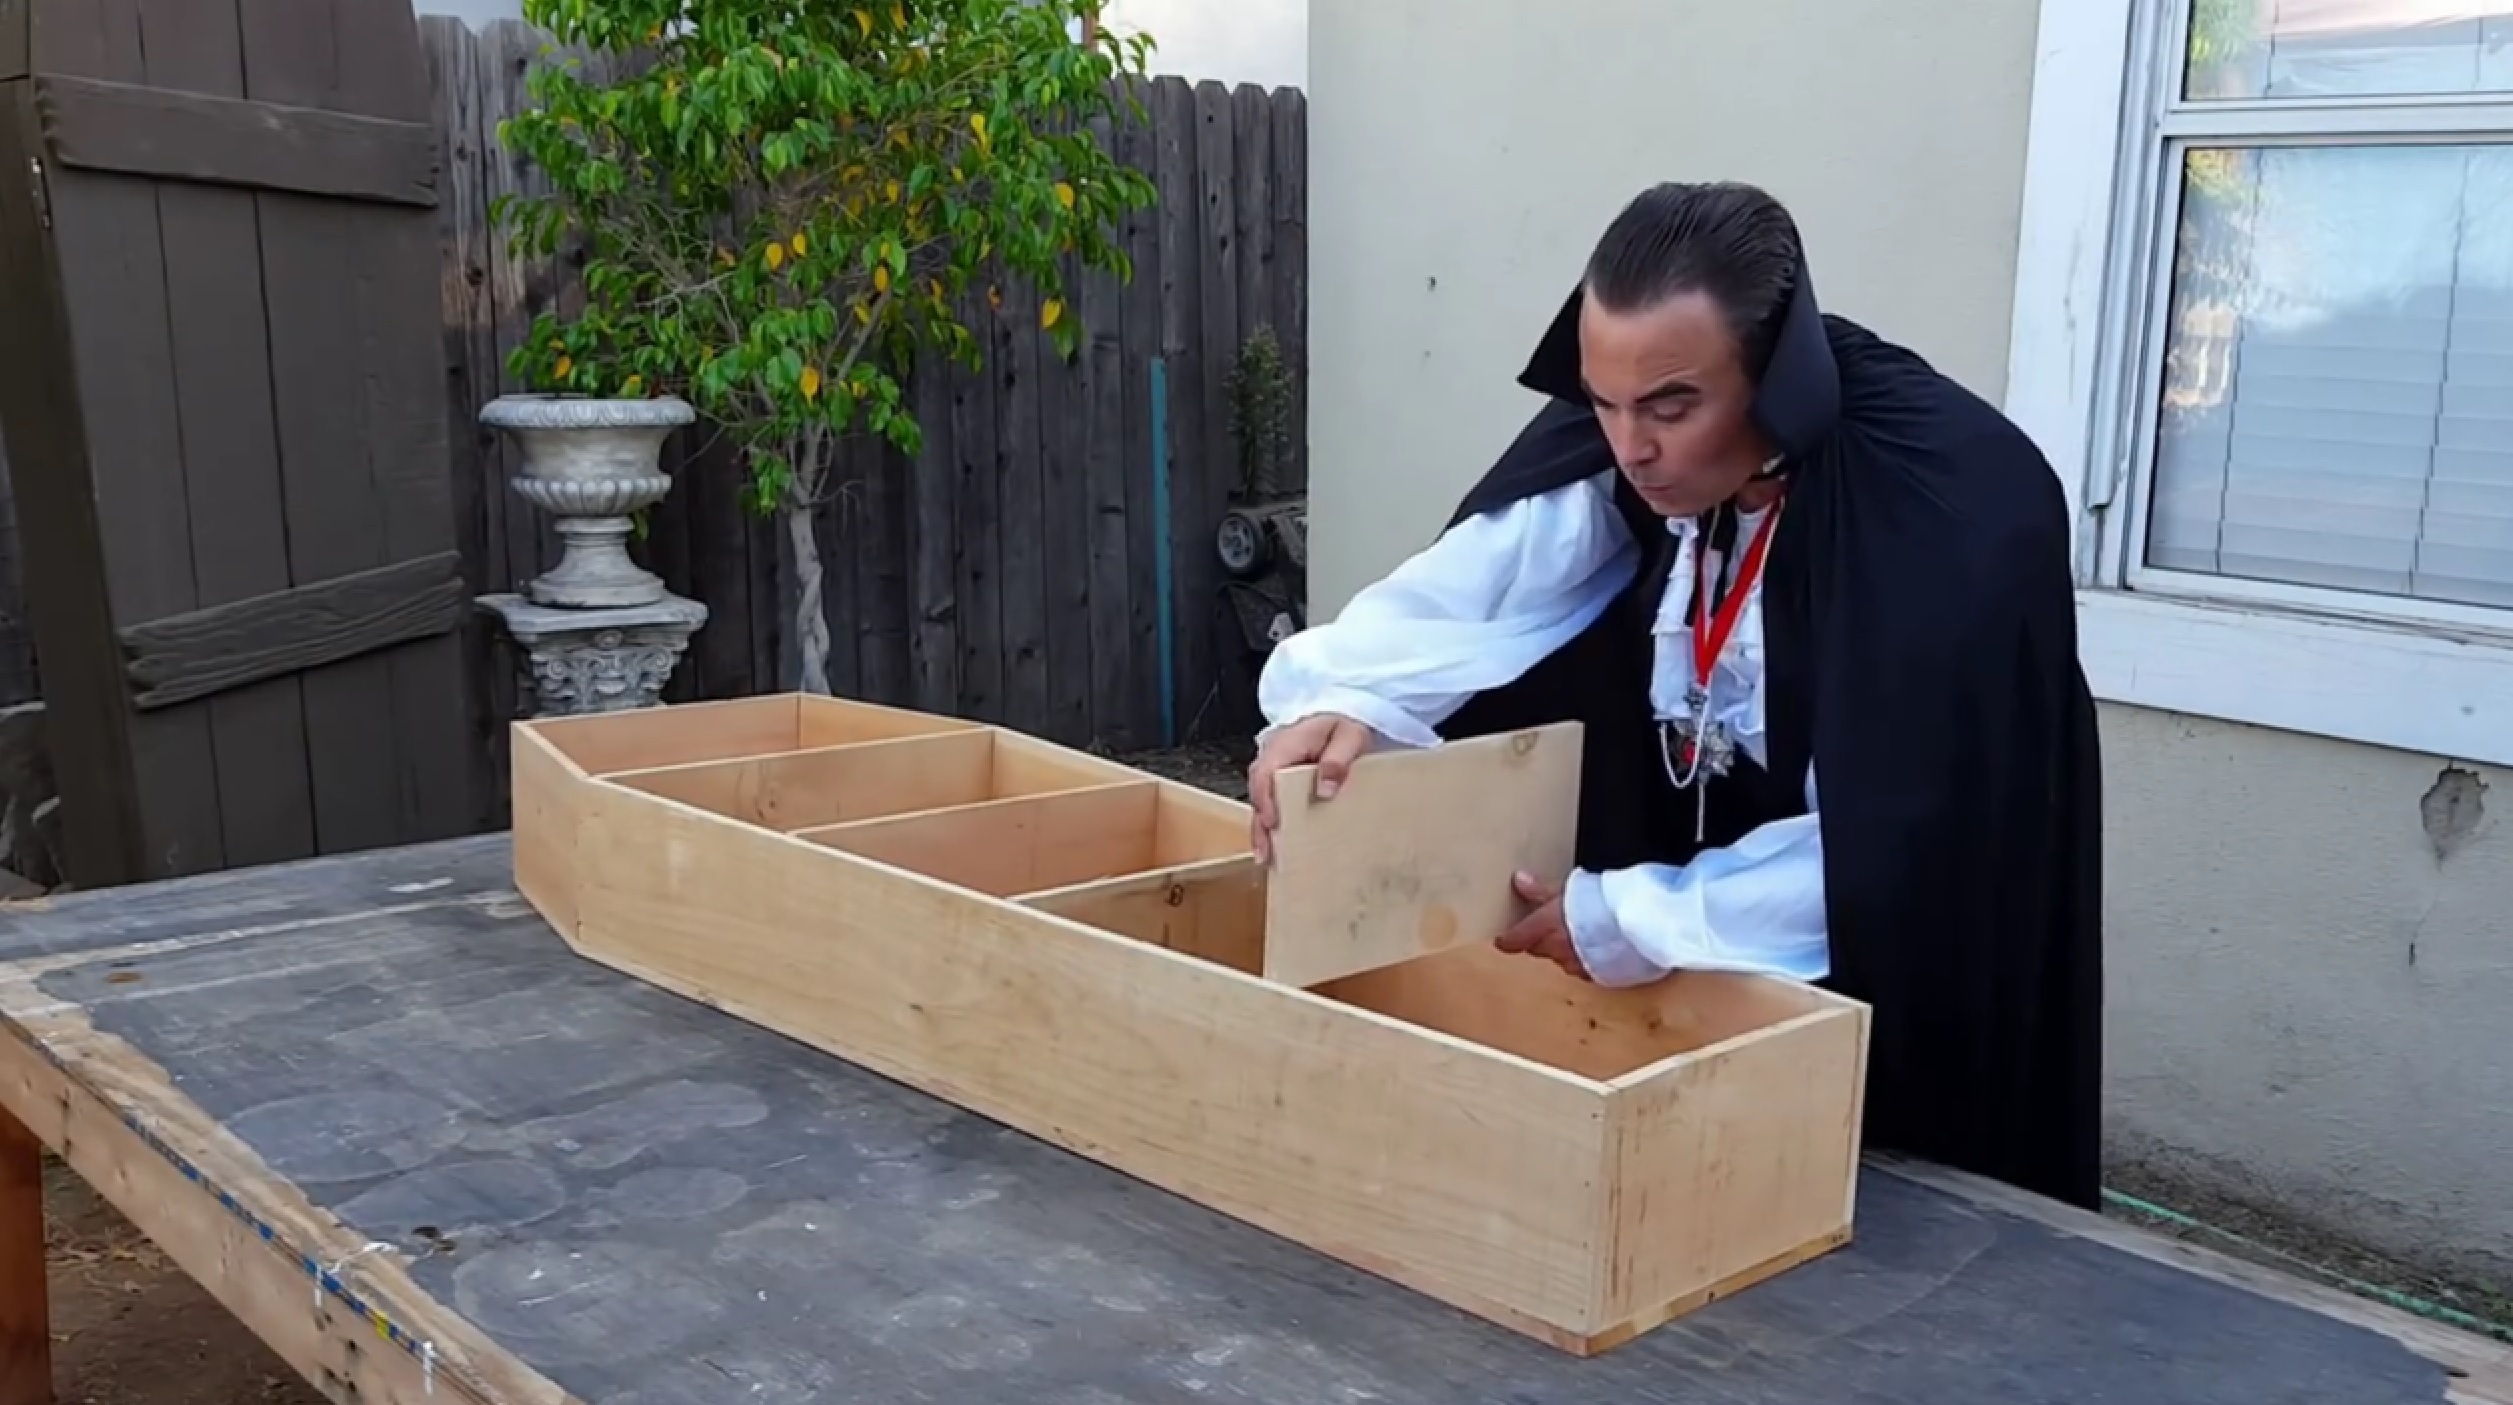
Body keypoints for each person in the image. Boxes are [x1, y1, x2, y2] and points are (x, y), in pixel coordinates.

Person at [1247, 180, 2104, 1210]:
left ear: (1775, 379)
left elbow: (1904, 843)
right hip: (1690, 970)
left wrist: (1625, 916)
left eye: (1668, 407)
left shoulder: (1952, 507)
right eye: (1601, 403)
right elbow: (1493, 570)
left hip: (1889, 1000)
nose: (1628, 447)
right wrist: (1341, 693)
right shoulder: (1630, 451)